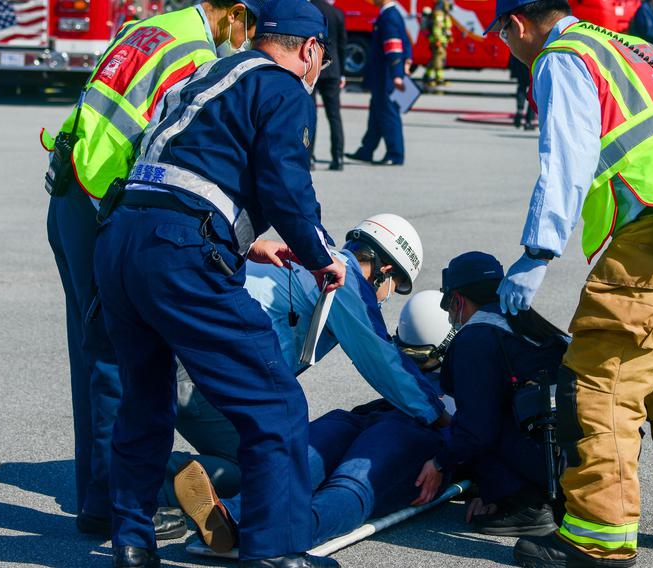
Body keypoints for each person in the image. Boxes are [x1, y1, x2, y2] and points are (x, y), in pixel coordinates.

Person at [486, 1, 653, 566]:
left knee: (603, 372)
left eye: (501, 37)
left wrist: (537, 253)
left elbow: (567, 158)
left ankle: (596, 535)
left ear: (516, 25)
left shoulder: (563, 57)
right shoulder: (625, 44)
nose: (507, 49)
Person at [91, 0, 348, 566]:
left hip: (123, 239)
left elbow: (186, 164)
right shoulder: (282, 89)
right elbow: (285, 186)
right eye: (321, 58)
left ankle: (132, 541)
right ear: (309, 49)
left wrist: (244, 238)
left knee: (146, 399)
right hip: (181, 251)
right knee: (275, 403)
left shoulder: (209, 70)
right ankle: (276, 551)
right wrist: (320, 254)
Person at [39, 0, 258, 540]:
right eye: (247, 23)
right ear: (231, 13)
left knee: (91, 356)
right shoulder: (196, 57)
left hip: (70, 192)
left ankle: (97, 494)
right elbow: (171, 153)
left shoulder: (152, 29)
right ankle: (114, 505)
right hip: (106, 204)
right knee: (120, 357)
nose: (247, 36)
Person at [161, 214, 448, 503]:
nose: (387, 297)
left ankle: (133, 475)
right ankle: (147, 482)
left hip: (177, 356)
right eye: (394, 287)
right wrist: (437, 416)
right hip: (207, 377)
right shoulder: (343, 279)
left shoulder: (314, 258)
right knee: (264, 468)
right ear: (384, 270)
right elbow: (383, 362)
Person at [172, 289, 457, 553]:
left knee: (325, 471)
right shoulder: (457, 377)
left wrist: (447, 459)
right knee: (329, 472)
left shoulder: (440, 378)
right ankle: (252, 523)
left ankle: (246, 518)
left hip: (392, 427)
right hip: (394, 425)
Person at [411, 252, 568, 538]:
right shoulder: (532, 327)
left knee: (471, 429)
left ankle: (526, 505)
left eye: (448, 305)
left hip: (552, 464)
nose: (450, 315)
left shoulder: (476, 338)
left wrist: (438, 464)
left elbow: (476, 431)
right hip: (584, 456)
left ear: (457, 300)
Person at [345, 0, 412, 166]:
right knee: (376, 113)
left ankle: (395, 154)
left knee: (389, 114)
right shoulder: (391, 14)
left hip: (386, 76)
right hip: (383, 75)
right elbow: (407, 41)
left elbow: (394, 47)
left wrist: (397, 75)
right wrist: (408, 61)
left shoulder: (389, 16)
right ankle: (366, 150)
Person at [309, 0, 348, 171]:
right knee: (334, 116)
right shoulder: (337, 13)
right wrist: (343, 72)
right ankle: (338, 157)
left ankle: (309, 157)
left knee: (311, 114)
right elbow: (342, 44)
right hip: (333, 69)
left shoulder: (310, 10)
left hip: (313, 68)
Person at [423, 0, 453, 89]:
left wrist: (449, 37)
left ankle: (427, 76)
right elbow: (437, 29)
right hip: (438, 41)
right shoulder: (439, 15)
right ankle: (438, 79)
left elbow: (445, 28)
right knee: (438, 60)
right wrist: (438, 40)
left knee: (435, 59)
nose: (448, 8)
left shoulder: (442, 15)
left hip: (440, 41)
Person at [508, 56, 536, 130]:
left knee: (521, 87)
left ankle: (519, 111)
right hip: (533, 63)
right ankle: (529, 121)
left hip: (520, 62)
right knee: (533, 91)